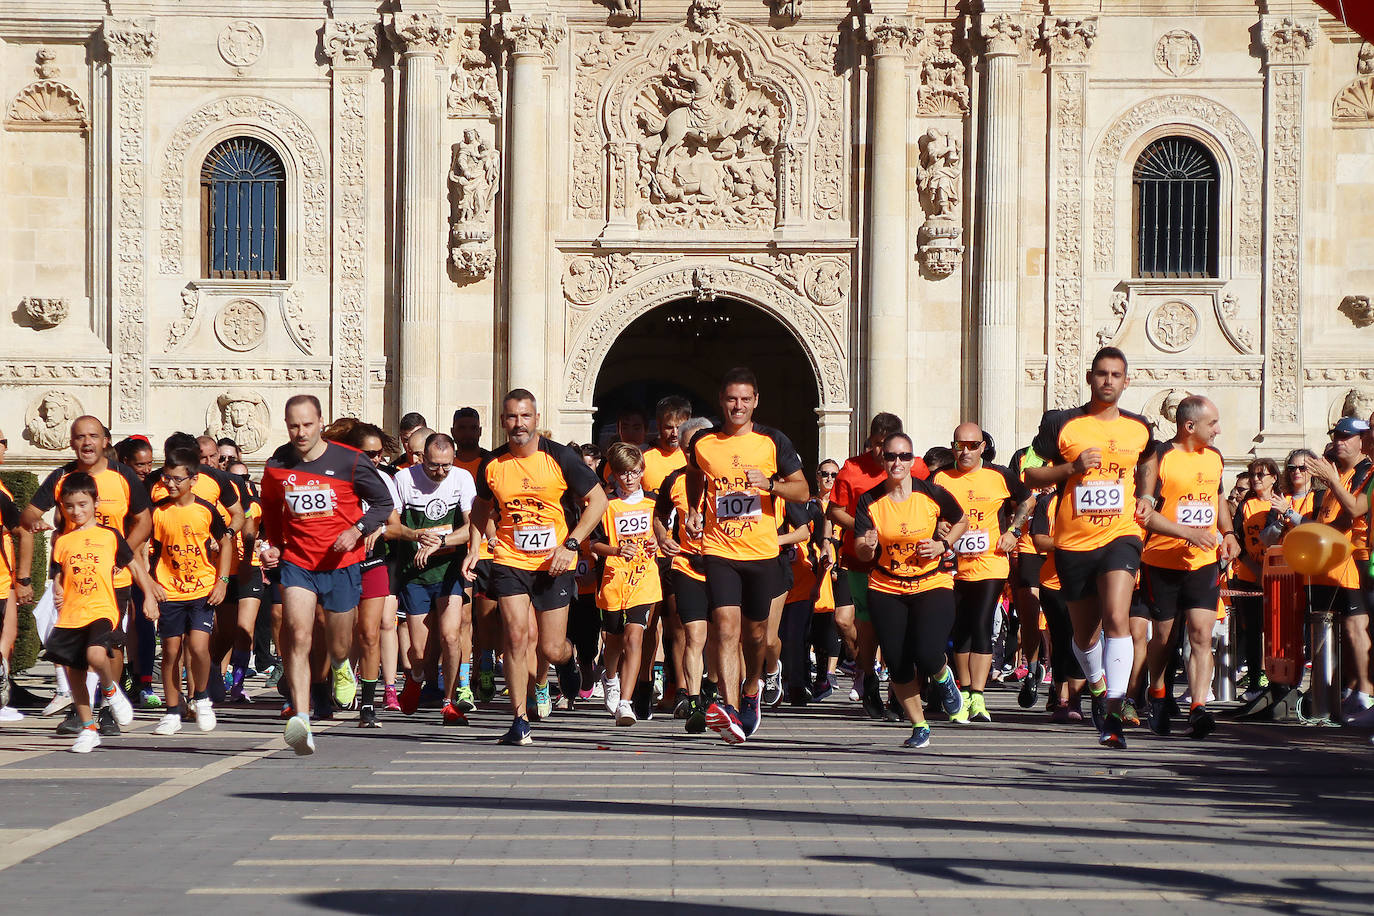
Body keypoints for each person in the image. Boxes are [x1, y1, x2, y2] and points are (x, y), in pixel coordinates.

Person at [1024, 347, 1158, 749]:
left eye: (1116, 375)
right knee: (1084, 635)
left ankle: (1114, 712)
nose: (1108, 381)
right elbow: (1030, 473)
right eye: (1102, 374)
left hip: (1121, 536)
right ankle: (1098, 686)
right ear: (1090, 378)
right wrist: (1070, 468)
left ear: (1126, 381)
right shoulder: (1061, 424)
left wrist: (1147, 496)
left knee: (1118, 616)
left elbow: (1150, 459)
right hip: (1073, 541)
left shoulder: (1139, 427)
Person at [461, 389, 607, 746]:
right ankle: (519, 719)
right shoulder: (493, 465)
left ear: (536, 420)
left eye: (525, 416)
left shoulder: (560, 458)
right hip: (511, 559)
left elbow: (598, 500)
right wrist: (474, 547)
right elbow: (481, 507)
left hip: (554, 562)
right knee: (515, 636)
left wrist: (570, 544)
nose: (518, 424)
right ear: (502, 422)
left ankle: (568, 663)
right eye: (511, 417)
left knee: (551, 647)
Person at [258, 395, 394, 755]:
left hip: (341, 564)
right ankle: (300, 720)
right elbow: (271, 508)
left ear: (320, 422)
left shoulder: (349, 461)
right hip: (298, 563)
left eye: (306, 424)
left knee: (339, 642)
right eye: (293, 426)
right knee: (298, 634)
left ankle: (339, 665)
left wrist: (357, 530)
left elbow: (383, 503)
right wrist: (273, 544)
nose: (300, 433)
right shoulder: (276, 465)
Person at [684, 368, 808, 744]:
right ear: (721, 401)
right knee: (724, 628)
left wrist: (769, 484)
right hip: (719, 549)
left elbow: (803, 491)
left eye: (745, 399)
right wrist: (693, 508)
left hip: (762, 552)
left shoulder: (772, 441)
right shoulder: (704, 441)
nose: (738, 406)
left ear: (756, 401)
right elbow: (694, 474)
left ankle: (752, 687)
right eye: (731, 399)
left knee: (756, 636)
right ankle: (731, 709)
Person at [24, 416, 152, 734]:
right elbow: (30, 512)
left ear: (104, 441)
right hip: (74, 578)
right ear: (71, 442)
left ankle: (106, 706)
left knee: (108, 646)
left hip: (113, 578)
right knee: (75, 650)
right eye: (80, 437)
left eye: (93, 435)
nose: (87, 442)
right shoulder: (62, 476)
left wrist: (120, 556)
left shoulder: (122, 476)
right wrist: (34, 521)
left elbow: (144, 521)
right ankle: (81, 711)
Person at [854, 432, 968, 749]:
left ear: (913, 460)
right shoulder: (870, 500)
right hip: (887, 585)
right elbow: (861, 548)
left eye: (904, 457)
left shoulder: (931, 493)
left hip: (932, 581)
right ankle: (920, 725)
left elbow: (961, 521)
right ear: (882, 460)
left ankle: (943, 677)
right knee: (897, 659)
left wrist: (943, 544)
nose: (897, 463)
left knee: (928, 651)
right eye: (891, 456)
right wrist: (868, 546)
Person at [1138, 396, 1239, 739]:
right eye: (1213, 424)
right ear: (1189, 426)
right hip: (1161, 561)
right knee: (1164, 638)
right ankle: (1158, 693)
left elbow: (1218, 498)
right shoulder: (1158, 458)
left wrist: (1228, 532)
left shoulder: (1214, 458)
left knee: (1201, 633)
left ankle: (1198, 707)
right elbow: (1144, 514)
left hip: (1203, 562)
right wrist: (1188, 533)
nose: (1219, 430)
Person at [45, 472, 158, 752]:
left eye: (83, 504)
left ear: (95, 503)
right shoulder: (62, 542)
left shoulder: (110, 537)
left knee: (96, 654)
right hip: (71, 613)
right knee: (75, 674)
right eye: (70, 506)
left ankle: (109, 689)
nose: (76, 511)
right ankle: (88, 728)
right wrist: (58, 590)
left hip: (102, 609)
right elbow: (58, 575)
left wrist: (149, 598)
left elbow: (134, 566)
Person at [934, 423, 1033, 724]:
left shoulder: (1000, 475)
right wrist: (936, 526)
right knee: (959, 628)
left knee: (981, 622)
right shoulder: (940, 477)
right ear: (953, 446)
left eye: (972, 445)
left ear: (982, 447)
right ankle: (964, 693)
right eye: (960, 445)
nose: (966, 451)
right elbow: (925, 507)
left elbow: (1028, 499)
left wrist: (1014, 531)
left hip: (991, 562)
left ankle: (978, 693)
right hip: (953, 564)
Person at [828, 413, 917, 718]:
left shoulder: (911, 468)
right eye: (876, 445)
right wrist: (864, 526)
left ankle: (898, 688)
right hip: (860, 560)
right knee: (866, 624)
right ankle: (868, 678)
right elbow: (834, 511)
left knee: (897, 626)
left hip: (901, 561)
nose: (882, 453)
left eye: (888, 446)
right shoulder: (853, 469)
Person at [148, 446, 235, 736]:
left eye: (177, 479)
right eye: (166, 478)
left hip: (202, 589)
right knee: (171, 651)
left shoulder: (206, 510)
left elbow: (225, 543)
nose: (170, 484)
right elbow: (143, 549)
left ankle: (202, 698)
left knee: (199, 647)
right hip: (169, 590)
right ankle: (173, 709)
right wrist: (151, 585)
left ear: (193, 480)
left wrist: (222, 580)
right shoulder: (158, 512)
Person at [392, 433, 476, 725]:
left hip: (449, 569)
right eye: (434, 466)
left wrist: (441, 542)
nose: (440, 472)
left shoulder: (462, 478)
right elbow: (391, 527)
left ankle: (449, 702)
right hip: (415, 574)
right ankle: (415, 678)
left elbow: (471, 527)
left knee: (451, 636)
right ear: (421, 459)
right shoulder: (404, 480)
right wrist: (416, 535)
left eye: (446, 466)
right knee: (419, 652)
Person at [1302, 416, 1374, 722]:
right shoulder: (1341, 473)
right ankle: (1345, 689)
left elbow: (1353, 512)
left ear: (1361, 441)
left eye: (1347, 436)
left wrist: (1330, 479)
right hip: (1333, 562)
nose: (1339, 441)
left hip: (1354, 560)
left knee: (1357, 628)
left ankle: (1363, 694)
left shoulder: (1363, 471)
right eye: (1337, 436)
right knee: (1341, 627)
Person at [591, 443, 662, 726]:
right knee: (614, 639)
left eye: (634, 472)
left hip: (645, 577)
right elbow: (593, 542)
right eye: (623, 473)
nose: (629, 478)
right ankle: (610, 678)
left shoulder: (655, 502)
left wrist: (658, 540)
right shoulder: (606, 504)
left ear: (642, 471)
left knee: (635, 636)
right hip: (612, 578)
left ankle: (626, 702)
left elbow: (666, 533)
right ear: (614, 475)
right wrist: (616, 550)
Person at [338, 423, 402, 728]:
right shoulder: (335, 478)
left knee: (369, 631)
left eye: (379, 454)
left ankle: (367, 703)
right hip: (340, 563)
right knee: (339, 631)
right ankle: (335, 677)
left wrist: (381, 528)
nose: (375, 459)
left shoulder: (385, 480)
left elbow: (394, 522)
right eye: (369, 454)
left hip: (374, 562)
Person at [654, 417, 715, 732]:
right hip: (687, 564)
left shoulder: (728, 478)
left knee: (726, 637)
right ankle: (693, 703)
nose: (692, 452)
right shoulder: (674, 480)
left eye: (696, 446)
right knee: (694, 635)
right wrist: (664, 536)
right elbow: (660, 515)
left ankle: (719, 694)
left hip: (723, 565)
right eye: (686, 447)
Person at [1231, 457, 1286, 703]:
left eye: (1260, 474)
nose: (1255, 479)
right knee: (1252, 631)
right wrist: (1254, 568)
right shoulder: (1246, 505)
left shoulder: (1282, 503)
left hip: (1278, 575)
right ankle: (1255, 679)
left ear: (1274, 477)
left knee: (1276, 630)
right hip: (1248, 575)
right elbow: (1237, 540)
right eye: (1253, 475)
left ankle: (1279, 680)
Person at [0, 434, 32, 722]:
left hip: (3, 579)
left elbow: (21, 530)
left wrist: (21, 578)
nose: (2, 448)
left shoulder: (3, 493)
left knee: (7, 637)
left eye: (2, 441)